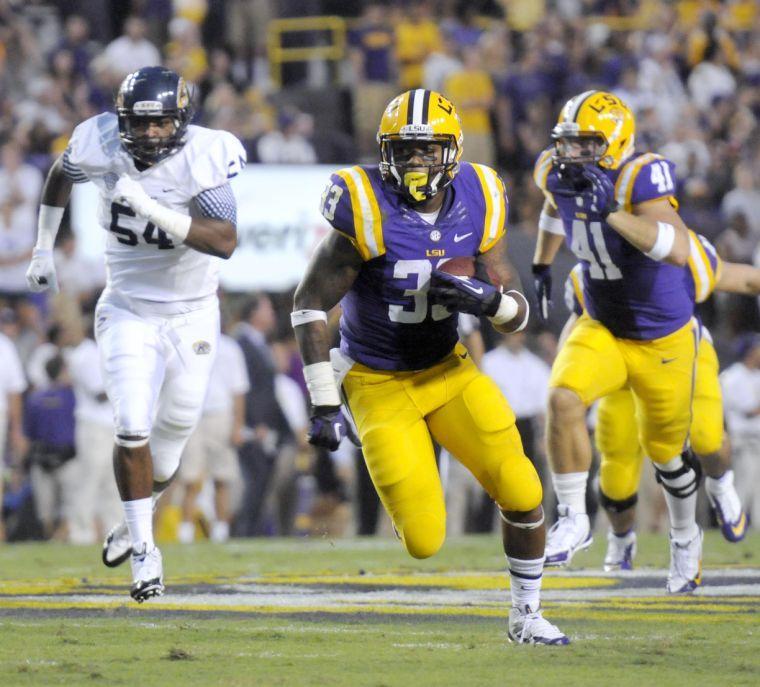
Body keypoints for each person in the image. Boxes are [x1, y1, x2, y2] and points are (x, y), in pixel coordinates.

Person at [292, 89, 568, 645]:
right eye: (405, 151)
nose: (416, 162)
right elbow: (308, 303)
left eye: (428, 150)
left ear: (453, 151)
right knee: (423, 539)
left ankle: (526, 614)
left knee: (523, 489)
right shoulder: (363, 203)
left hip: (449, 369)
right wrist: (324, 398)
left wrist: (489, 302)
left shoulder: (481, 193)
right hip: (375, 379)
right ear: (385, 151)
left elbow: (514, 308)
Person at [25, 66, 246, 601]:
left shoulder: (207, 152)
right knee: (131, 425)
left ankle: (135, 515)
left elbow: (223, 241)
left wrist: (151, 207)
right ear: (123, 121)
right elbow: (60, 173)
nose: (150, 134)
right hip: (126, 306)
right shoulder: (98, 139)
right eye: (140, 124)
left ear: (182, 120)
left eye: (161, 123)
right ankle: (146, 553)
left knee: (171, 441)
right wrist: (42, 246)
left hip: (193, 311)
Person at [531, 91, 702, 593]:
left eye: (588, 143)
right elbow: (551, 206)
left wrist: (611, 213)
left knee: (668, 454)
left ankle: (686, 536)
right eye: (569, 143)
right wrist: (543, 261)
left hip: (662, 336)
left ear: (617, 140)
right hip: (602, 322)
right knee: (562, 399)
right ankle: (573, 518)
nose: (574, 154)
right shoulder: (554, 169)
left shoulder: (640, 175)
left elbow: (678, 249)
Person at [561, 229, 754, 570]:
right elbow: (577, 323)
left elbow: (741, 278)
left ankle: (720, 484)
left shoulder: (679, 251)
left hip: (677, 359)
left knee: (707, 437)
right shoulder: (588, 268)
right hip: (621, 371)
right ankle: (621, 539)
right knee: (615, 473)